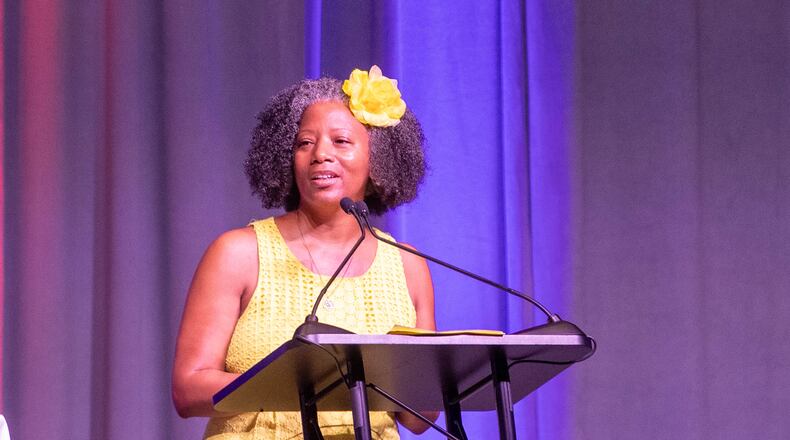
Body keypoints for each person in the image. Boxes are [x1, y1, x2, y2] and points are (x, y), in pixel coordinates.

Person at [172, 66, 438, 439]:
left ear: (378, 161)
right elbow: (188, 390)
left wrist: (444, 375)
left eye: (341, 141)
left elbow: (418, 420)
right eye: (304, 143)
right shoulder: (238, 253)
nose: (320, 155)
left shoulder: (407, 264)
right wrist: (298, 387)